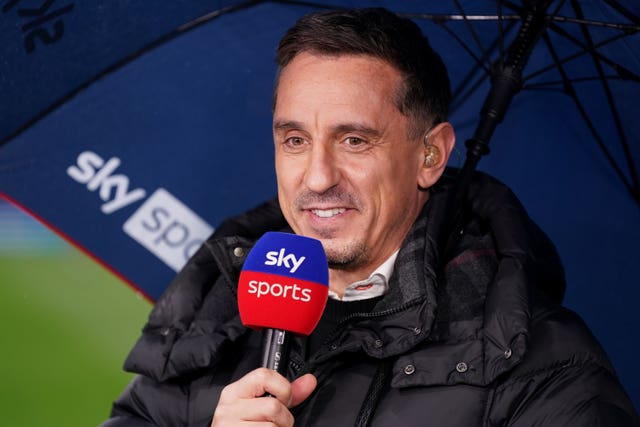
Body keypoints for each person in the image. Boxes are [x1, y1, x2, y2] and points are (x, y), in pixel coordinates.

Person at [101, 8, 639, 427]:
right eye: (295, 140)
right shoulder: (216, 307)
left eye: (354, 140)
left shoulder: (543, 362)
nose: (315, 178)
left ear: (430, 155)